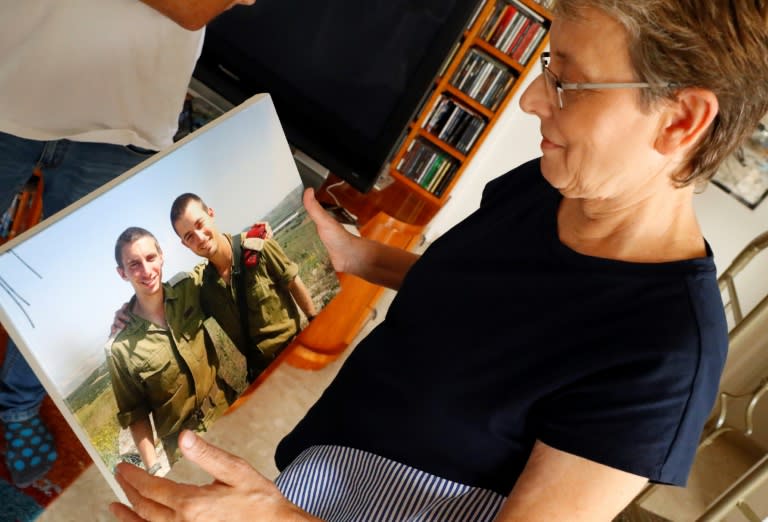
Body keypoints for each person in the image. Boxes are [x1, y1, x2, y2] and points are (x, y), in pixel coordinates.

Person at [109, 1, 768, 520]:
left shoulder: (665, 359)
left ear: (681, 120)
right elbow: (477, 298)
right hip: (321, 475)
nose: (531, 99)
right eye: (546, 65)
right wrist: (358, 254)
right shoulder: (549, 186)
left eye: (566, 80)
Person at [0, 0, 255, 488]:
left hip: (125, 117)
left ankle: (17, 407)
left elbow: (193, 8)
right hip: (10, 71)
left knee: (58, 287)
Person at [107, 227, 238, 473]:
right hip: (186, 450)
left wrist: (251, 239)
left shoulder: (188, 289)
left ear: (161, 255)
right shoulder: (121, 348)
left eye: (150, 258)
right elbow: (136, 414)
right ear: (122, 273)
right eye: (134, 264)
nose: (146, 271)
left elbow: (223, 261)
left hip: (229, 410)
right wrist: (154, 469)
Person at [169, 193, 318, 377]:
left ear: (211, 213)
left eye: (200, 224)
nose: (199, 237)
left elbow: (293, 281)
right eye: (190, 236)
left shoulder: (257, 246)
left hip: (297, 353)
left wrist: (315, 323)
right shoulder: (205, 289)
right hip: (264, 376)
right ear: (185, 244)